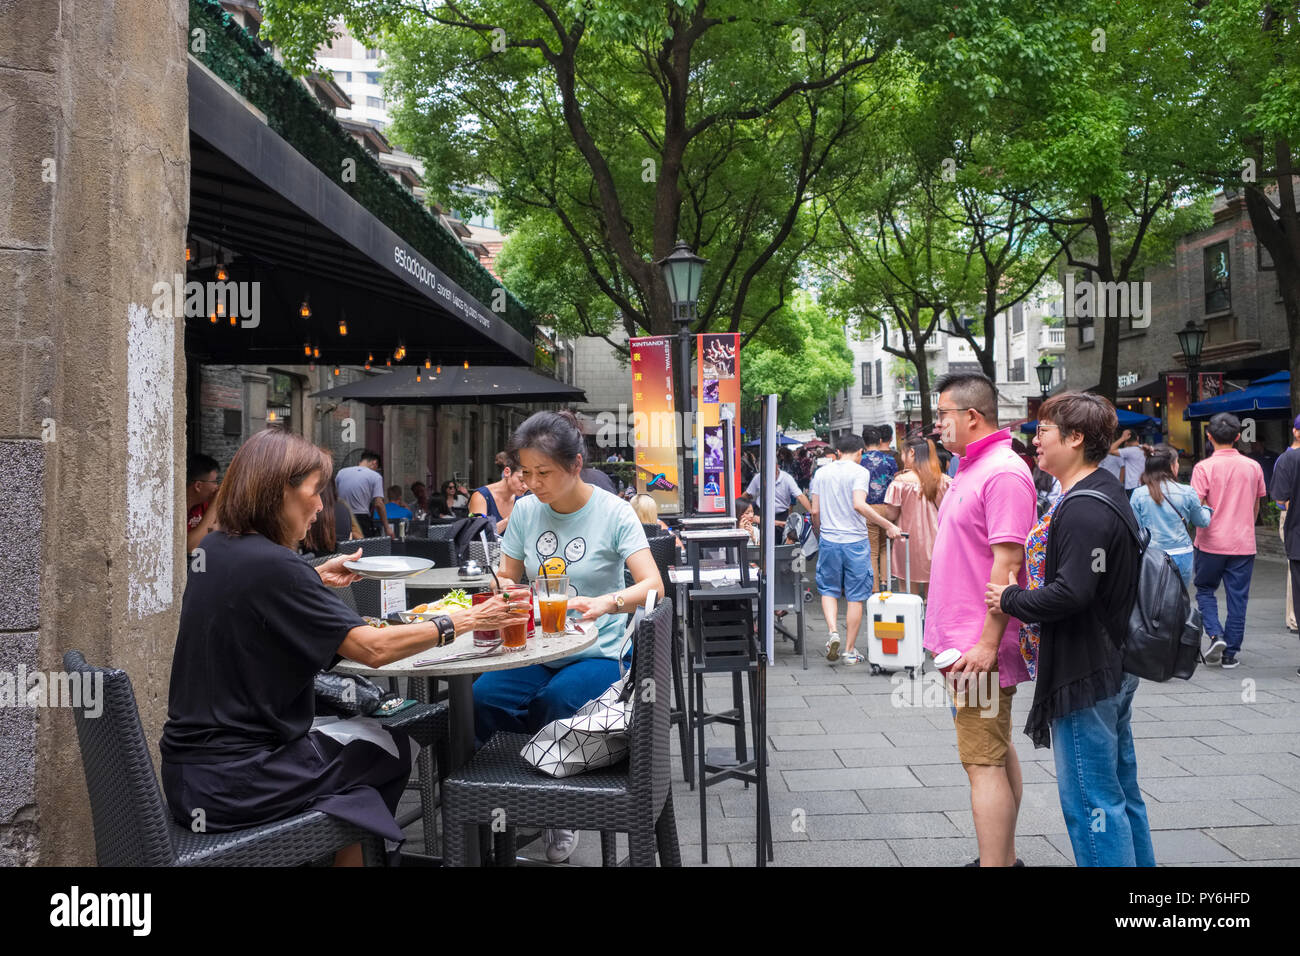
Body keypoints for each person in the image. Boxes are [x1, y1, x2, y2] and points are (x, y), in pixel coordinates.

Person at [160, 429, 518, 866]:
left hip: (190, 776)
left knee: (356, 753)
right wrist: (464, 620)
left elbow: (260, 596)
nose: (320, 507)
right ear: (278, 492)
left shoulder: (217, 548)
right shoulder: (276, 566)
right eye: (314, 492)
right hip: (241, 781)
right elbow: (374, 650)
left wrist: (312, 576)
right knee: (393, 745)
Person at [476, 410, 663, 862]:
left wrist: (608, 602)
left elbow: (653, 585)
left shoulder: (613, 511)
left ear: (576, 465)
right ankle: (497, 799)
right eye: (526, 473)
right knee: (482, 696)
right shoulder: (524, 511)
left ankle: (556, 810)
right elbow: (508, 575)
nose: (533, 483)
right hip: (538, 645)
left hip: (597, 651)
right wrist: (501, 590)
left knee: (555, 702)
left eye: (544, 472)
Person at [986, 391, 1152, 867]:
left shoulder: (1083, 506)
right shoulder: (1101, 489)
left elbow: (1072, 592)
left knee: (1092, 801)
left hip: (1085, 671)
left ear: (1075, 438)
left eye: (1043, 431)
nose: (1034, 440)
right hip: (1107, 663)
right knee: (1119, 792)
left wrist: (1010, 598)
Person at [925, 371, 1035, 868]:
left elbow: (1008, 562)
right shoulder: (972, 467)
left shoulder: (1003, 471)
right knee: (994, 748)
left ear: (971, 416)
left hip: (979, 647)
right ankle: (1004, 858)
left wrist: (989, 643)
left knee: (981, 762)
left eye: (943, 415)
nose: (937, 424)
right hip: (962, 645)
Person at [809, 434, 901, 666]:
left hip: (830, 540)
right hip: (856, 542)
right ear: (860, 452)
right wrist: (888, 525)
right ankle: (849, 651)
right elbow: (859, 504)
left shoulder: (821, 473)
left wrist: (821, 533)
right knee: (855, 596)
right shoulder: (860, 472)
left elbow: (815, 512)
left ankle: (832, 633)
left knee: (828, 589)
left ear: (837, 452)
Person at [1191, 412, 1268, 669]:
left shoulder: (1203, 468)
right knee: (1238, 598)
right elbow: (1257, 505)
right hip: (1243, 542)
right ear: (1238, 436)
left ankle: (1215, 635)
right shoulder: (1253, 466)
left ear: (1209, 436)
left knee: (1204, 589)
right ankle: (1230, 653)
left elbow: (1196, 507)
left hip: (1210, 542)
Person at [1129, 445, 1213, 589]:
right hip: (1182, 554)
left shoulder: (1138, 494)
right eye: (1177, 462)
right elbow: (1202, 521)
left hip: (1152, 556)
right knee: (1179, 600)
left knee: (1153, 600)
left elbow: (1136, 528)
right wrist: (1206, 507)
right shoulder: (1187, 492)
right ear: (1171, 466)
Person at [878, 436, 951, 598]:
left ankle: (913, 623)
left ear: (911, 452)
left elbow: (891, 514)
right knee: (936, 593)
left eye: (903, 453)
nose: (902, 458)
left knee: (908, 594)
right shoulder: (945, 481)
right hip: (938, 541)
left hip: (908, 541)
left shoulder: (901, 481)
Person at [861, 424, 900, 596]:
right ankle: (885, 582)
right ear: (879, 441)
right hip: (887, 507)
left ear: (864, 442)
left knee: (872, 550)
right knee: (885, 547)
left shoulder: (859, 460)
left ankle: (874, 587)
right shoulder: (890, 460)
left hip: (868, 508)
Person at [1275, 418, 1300, 632]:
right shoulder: (1285, 459)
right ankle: (1293, 617)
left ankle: (1295, 618)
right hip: (1292, 518)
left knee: (1296, 569)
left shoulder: (1284, 459)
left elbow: (1279, 499)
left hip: (1293, 518)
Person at [300, 468, 356, 557]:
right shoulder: (343, 509)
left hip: (310, 565)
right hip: (340, 565)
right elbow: (348, 541)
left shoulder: (306, 510)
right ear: (333, 485)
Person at [469, 454, 529, 536]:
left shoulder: (522, 499)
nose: (525, 486)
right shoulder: (481, 496)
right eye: (521, 480)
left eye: (528, 482)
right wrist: (508, 520)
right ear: (507, 472)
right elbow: (479, 536)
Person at [337, 451, 392, 538]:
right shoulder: (375, 476)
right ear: (374, 463)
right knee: (364, 548)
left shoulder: (341, 472)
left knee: (343, 547)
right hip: (361, 519)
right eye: (377, 468)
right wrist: (387, 527)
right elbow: (378, 503)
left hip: (341, 517)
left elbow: (334, 496)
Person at [738, 463, 811, 526]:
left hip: (780, 514)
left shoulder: (787, 478)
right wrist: (739, 508)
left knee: (779, 539)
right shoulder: (759, 477)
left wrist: (811, 512)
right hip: (762, 513)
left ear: (777, 467)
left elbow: (800, 496)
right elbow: (747, 494)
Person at [186, 452, 221, 553]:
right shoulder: (175, 510)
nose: (217, 487)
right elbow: (190, 548)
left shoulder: (203, 505)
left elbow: (217, 535)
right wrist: (215, 502)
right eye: (214, 482)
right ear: (198, 486)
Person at [1111, 429, 1145, 498]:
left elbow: (1110, 450)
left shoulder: (1129, 451)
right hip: (1144, 483)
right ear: (1137, 438)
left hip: (1132, 485)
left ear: (1126, 441)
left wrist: (1122, 438)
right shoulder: (1145, 448)